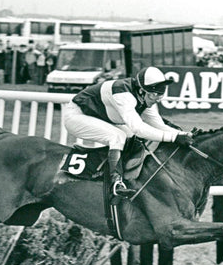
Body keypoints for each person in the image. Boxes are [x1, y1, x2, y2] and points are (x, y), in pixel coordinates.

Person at [62, 66, 195, 198]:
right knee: (117, 136)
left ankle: (117, 174)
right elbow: (139, 129)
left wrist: (184, 135)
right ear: (142, 91)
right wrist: (173, 138)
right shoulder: (123, 95)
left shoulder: (144, 97)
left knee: (131, 139)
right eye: (154, 94)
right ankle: (115, 183)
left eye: (160, 94)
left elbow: (159, 125)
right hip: (76, 116)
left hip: (99, 117)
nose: (158, 99)